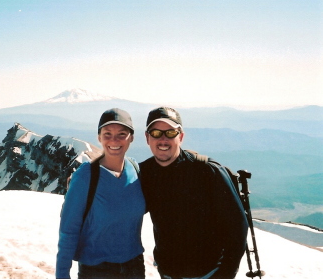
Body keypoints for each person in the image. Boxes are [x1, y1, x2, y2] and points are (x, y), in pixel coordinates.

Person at [140, 107, 248, 279]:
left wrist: (225, 274)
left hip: (209, 273)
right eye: (155, 133)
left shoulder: (207, 171)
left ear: (180, 137)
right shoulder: (144, 173)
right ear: (147, 138)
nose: (163, 139)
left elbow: (237, 227)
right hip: (168, 272)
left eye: (170, 133)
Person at [56, 108, 146, 279]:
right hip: (97, 270)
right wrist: (62, 274)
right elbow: (69, 230)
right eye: (107, 134)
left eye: (122, 134)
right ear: (99, 137)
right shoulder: (85, 176)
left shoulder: (135, 169)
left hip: (134, 266)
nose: (114, 140)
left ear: (131, 138)